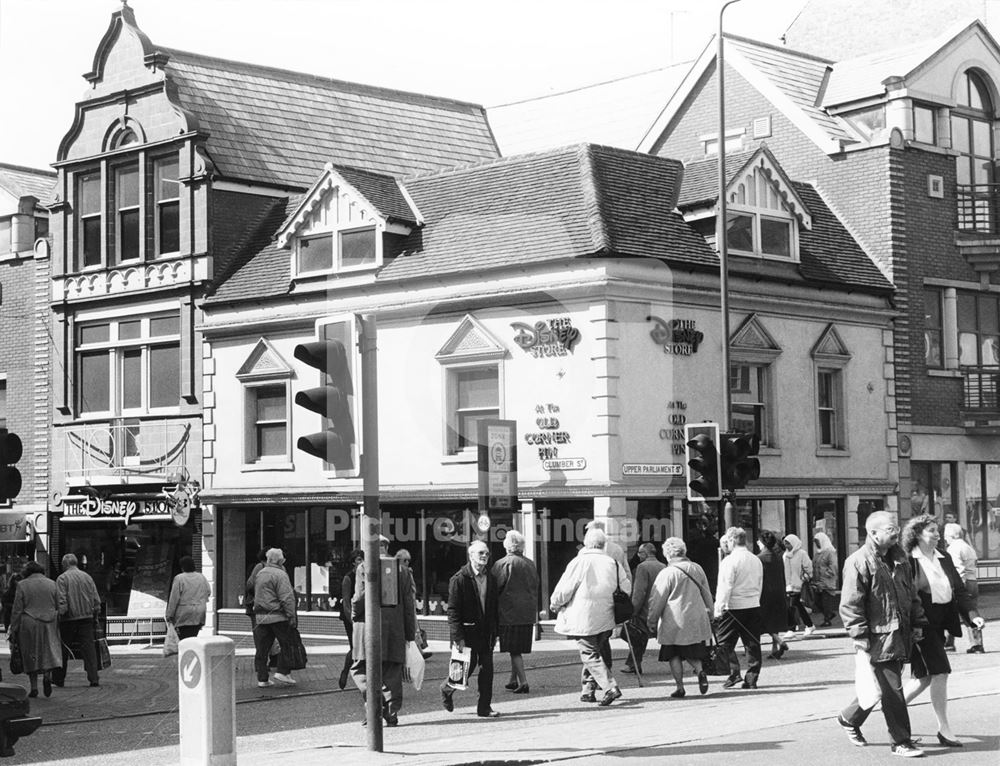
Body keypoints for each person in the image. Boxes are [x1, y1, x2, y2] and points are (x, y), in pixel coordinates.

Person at [837, 511, 927, 758]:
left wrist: (918, 622)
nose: (896, 531)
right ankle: (901, 742)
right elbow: (850, 603)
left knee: (883, 688)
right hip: (877, 637)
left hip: (900, 635)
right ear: (873, 533)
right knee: (892, 690)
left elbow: (913, 595)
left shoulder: (902, 560)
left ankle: (849, 718)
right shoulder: (858, 561)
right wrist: (859, 634)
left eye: (895, 527)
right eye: (889, 529)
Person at [901, 515, 985, 748]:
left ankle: (892, 711)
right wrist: (913, 624)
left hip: (940, 623)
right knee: (941, 672)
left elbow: (959, 591)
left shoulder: (944, 557)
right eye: (931, 531)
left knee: (924, 678)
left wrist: (973, 615)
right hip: (921, 623)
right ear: (917, 534)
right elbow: (907, 597)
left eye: (937, 531)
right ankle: (944, 729)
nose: (937, 535)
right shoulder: (909, 560)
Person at [549, 527, 630, 707]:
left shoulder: (579, 562)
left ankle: (610, 687)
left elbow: (565, 589)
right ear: (603, 544)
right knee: (596, 651)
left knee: (589, 653)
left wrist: (555, 604)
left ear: (586, 543)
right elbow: (626, 588)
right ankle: (588, 691)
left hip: (584, 616)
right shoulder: (612, 563)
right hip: (607, 615)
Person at [350, 545, 417, 727]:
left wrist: (355, 615)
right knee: (392, 669)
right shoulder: (402, 570)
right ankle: (391, 711)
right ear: (387, 547)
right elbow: (409, 604)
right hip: (394, 628)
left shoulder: (363, 567)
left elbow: (360, 597)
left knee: (360, 668)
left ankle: (374, 707)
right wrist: (410, 634)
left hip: (368, 627)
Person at [646, 537, 714, 698]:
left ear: (668, 554)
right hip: (696, 617)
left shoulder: (667, 573)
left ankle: (680, 687)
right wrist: (710, 612)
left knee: (673, 654)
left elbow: (657, 599)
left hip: (674, 620)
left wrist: (652, 620)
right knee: (691, 650)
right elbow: (707, 592)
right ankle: (700, 671)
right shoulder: (697, 568)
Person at [440, 540, 500, 718]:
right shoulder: (459, 579)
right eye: (480, 553)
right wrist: (457, 637)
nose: (484, 557)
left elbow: (494, 607)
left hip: (486, 632)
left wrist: (496, 632)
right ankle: (446, 689)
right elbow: (453, 611)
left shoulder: (491, 578)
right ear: (471, 555)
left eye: (487, 554)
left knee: (487, 669)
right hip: (467, 633)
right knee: (465, 669)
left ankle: (484, 708)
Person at [714, 526, 764, 690]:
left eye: (727, 540)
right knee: (752, 643)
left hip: (733, 606)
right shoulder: (755, 559)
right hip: (753, 604)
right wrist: (756, 599)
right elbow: (759, 583)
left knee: (724, 642)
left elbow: (725, 586)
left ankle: (734, 671)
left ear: (732, 540)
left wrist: (719, 608)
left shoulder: (729, 561)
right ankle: (752, 678)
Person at [492, 531, 538, 694]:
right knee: (516, 648)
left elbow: (495, 588)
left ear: (507, 545)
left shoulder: (502, 564)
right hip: (527, 613)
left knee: (514, 650)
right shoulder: (530, 563)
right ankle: (513, 679)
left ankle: (523, 682)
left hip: (509, 613)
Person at [10, 562, 61, 698]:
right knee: (48, 651)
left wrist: (13, 628)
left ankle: (34, 688)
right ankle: (47, 676)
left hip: (29, 622)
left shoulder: (22, 585)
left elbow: (17, 609)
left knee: (31, 653)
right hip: (49, 622)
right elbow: (58, 605)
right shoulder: (52, 583)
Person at [53, 553, 102, 688]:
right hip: (86, 618)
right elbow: (96, 599)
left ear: (65, 564)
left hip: (69, 619)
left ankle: (58, 678)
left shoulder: (62, 578)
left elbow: (62, 600)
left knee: (63, 649)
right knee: (89, 649)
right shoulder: (87, 577)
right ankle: (94, 678)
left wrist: (59, 615)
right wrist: (96, 613)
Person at [252, 548, 297, 688]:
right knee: (287, 644)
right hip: (278, 616)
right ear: (280, 560)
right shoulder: (280, 574)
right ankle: (283, 671)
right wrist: (291, 615)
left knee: (262, 648)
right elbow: (287, 597)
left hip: (261, 616)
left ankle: (262, 678)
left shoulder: (260, 573)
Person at [622, 542, 665, 675]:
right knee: (641, 637)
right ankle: (633, 663)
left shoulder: (642, 567)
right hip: (658, 607)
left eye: (640, 553)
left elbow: (639, 592)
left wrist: (633, 610)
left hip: (644, 609)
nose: (638, 555)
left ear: (645, 554)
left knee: (633, 635)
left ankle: (633, 664)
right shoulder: (662, 566)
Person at [943, 523, 983, 653]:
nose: (945, 539)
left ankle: (949, 644)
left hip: (962, 583)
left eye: (946, 536)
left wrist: (955, 586)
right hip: (973, 581)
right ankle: (976, 643)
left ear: (953, 536)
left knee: (951, 612)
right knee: (971, 612)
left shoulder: (953, 548)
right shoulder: (968, 547)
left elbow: (957, 569)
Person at [756, 530, 790, 659]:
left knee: (762, 621)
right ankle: (774, 647)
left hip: (765, 593)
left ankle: (779, 642)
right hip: (779, 592)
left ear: (762, 543)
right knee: (774, 621)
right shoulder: (778, 557)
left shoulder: (759, 558)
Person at [395, 548, 431, 659]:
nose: (407, 563)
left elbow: (412, 589)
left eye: (408, 560)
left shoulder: (407, 572)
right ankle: (418, 652)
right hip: (403, 606)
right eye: (405, 560)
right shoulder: (397, 572)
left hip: (410, 604)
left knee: (414, 629)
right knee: (412, 629)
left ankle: (419, 651)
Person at [165, 556, 211, 641]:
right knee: (193, 637)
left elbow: (174, 598)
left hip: (184, 614)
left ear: (182, 567)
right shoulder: (201, 577)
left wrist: (169, 615)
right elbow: (208, 592)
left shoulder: (179, 578)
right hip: (199, 612)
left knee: (184, 640)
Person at [338, 549, 364, 690]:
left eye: (363, 559)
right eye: (359, 559)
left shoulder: (367, 576)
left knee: (363, 647)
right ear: (354, 562)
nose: (362, 562)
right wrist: (352, 619)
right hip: (352, 616)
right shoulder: (349, 578)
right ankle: (345, 672)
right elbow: (346, 601)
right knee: (355, 647)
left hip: (364, 615)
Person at [781, 534, 814, 638]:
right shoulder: (785, 555)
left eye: (788, 543)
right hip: (788, 585)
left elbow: (808, 568)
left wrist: (804, 578)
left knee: (792, 605)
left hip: (798, 584)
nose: (786, 545)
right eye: (785, 543)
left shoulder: (802, 554)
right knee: (796, 606)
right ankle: (809, 625)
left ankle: (792, 628)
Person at [812, 532, 839, 628]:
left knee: (825, 602)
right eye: (815, 542)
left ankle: (827, 620)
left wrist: (826, 574)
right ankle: (829, 614)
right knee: (817, 602)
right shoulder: (817, 553)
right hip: (817, 582)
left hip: (826, 582)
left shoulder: (830, 552)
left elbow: (833, 566)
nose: (816, 544)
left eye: (818, 541)